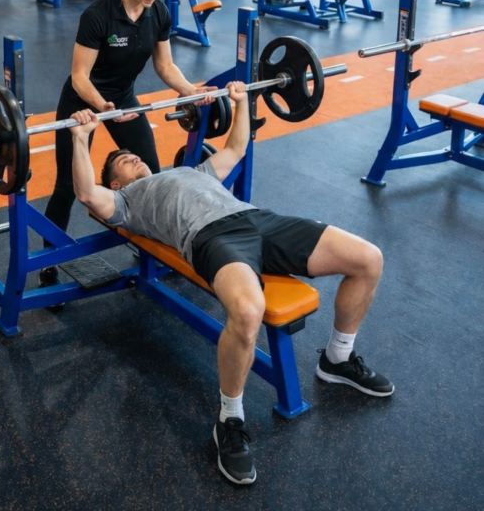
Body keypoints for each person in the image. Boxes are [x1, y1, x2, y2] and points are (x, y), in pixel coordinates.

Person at [68, 82, 394, 486]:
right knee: (247, 310)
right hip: (213, 239)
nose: (129, 156)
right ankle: (229, 418)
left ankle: (338, 359)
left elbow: (235, 150)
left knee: (368, 258)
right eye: (120, 161)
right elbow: (85, 193)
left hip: (259, 220)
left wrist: (241, 101)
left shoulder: (192, 170)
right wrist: (82, 138)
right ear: (115, 183)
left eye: (129, 153)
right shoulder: (127, 202)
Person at [40, 0, 212, 289]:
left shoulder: (158, 13)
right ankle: (48, 260)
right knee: (67, 187)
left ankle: (151, 243)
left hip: (124, 99)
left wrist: (191, 92)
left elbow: (165, 66)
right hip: (82, 104)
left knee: (152, 177)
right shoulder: (98, 15)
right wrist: (102, 107)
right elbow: (79, 76)